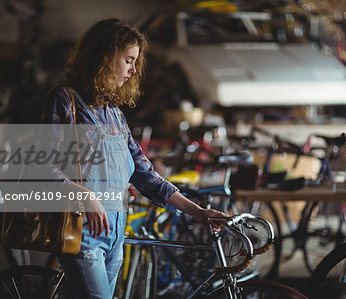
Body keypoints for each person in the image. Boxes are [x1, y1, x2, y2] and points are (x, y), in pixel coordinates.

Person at [41, 18, 227, 299]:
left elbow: (145, 175)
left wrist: (198, 212)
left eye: (135, 61)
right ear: (105, 56)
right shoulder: (66, 102)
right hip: (80, 234)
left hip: (116, 236)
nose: (134, 69)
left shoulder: (115, 114)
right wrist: (83, 195)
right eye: (128, 60)